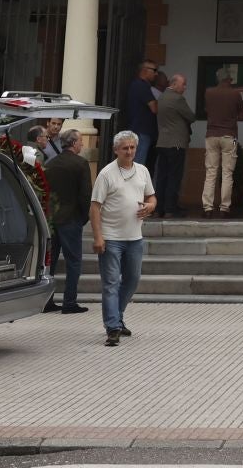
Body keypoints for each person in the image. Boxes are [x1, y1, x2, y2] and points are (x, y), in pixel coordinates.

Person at [90, 130, 155, 346]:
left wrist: (151, 205)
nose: (129, 151)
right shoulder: (106, 174)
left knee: (132, 279)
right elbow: (95, 207)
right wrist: (98, 237)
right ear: (116, 150)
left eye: (132, 147)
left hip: (135, 237)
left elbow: (151, 195)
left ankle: (116, 316)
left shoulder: (143, 170)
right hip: (111, 238)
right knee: (110, 283)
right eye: (125, 148)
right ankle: (113, 328)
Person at [45, 128, 93, 314]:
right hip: (71, 217)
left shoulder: (51, 163)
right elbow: (85, 195)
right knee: (74, 261)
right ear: (73, 143)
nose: (82, 144)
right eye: (81, 141)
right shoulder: (80, 164)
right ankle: (69, 302)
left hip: (52, 218)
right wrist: (84, 217)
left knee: (51, 262)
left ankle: (47, 301)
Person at [202, 71, 243, 217]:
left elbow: (207, 110)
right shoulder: (235, 94)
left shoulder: (209, 92)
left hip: (211, 135)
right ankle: (224, 208)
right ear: (229, 80)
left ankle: (207, 208)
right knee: (227, 173)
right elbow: (241, 115)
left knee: (211, 172)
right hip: (229, 136)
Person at [155, 73, 196, 218]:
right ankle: (170, 208)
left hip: (162, 142)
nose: (185, 87)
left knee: (162, 176)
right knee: (174, 176)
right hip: (176, 143)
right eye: (183, 84)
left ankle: (159, 207)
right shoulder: (178, 99)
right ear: (174, 84)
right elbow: (191, 116)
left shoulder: (161, 97)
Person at [125, 59, 160, 163]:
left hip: (140, 131)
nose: (156, 74)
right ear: (145, 70)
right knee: (137, 164)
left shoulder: (140, 85)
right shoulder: (141, 86)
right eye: (154, 70)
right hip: (141, 132)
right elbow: (155, 108)